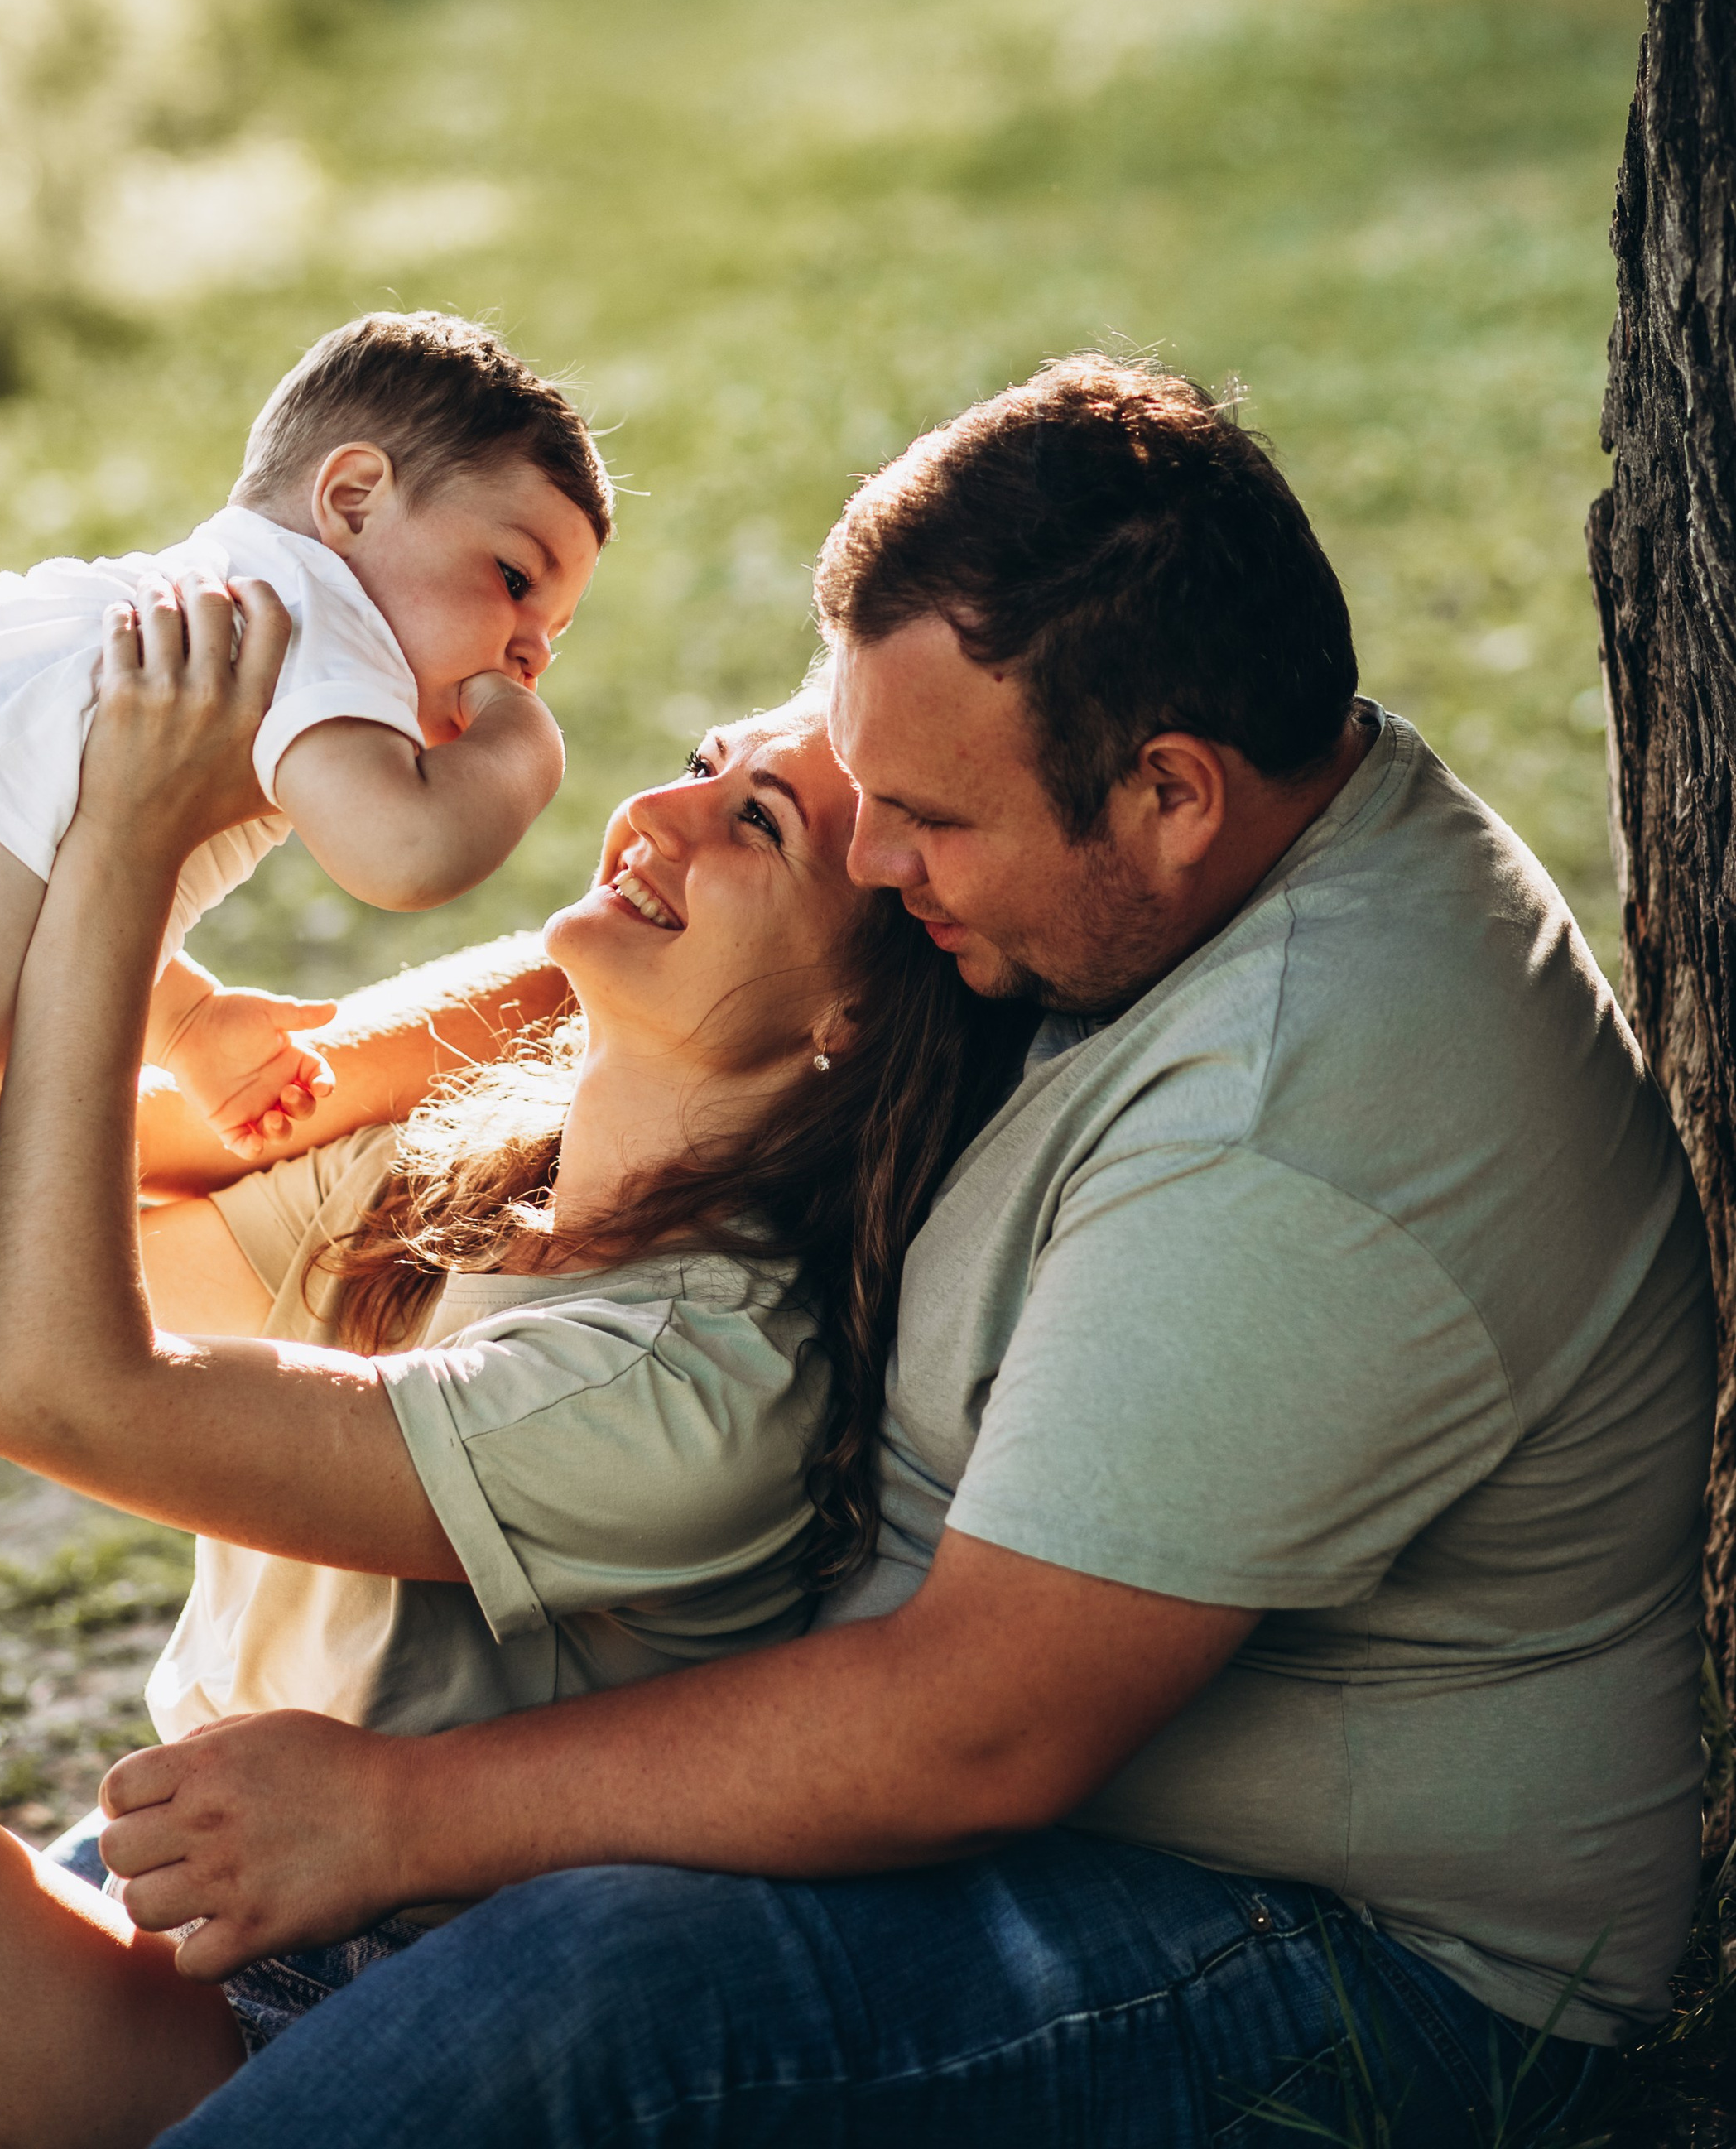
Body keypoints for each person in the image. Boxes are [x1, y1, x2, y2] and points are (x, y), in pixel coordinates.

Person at [85, 356, 1715, 2149]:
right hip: (1013, 1799)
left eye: (923, 825)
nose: (877, 856)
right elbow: (732, 875)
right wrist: (341, 1056)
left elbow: (974, 1729)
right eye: (857, 788)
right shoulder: (1155, 770)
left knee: (598, 1987)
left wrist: (396, 1816)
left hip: (1347, 1961)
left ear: (1166, 793)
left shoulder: (1297, 1114)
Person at [0, 575, 1024, 2147]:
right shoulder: (474, 1169)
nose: (656, 808)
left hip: (334, 2028)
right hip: (173, 1938)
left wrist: (124, 865)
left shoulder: (699, 1379)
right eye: (701, 756)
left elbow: (60, 1388)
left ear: (856, 1007)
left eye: (756, 820)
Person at [0, 310, 608, 1749]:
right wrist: (520, 755)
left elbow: (61, 872)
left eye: (552, 641)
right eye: (513, 582)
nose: (521, 652)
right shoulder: (309, 615)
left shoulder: (184, 600)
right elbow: (400, 851)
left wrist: (194, 1021)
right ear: (350, 499)